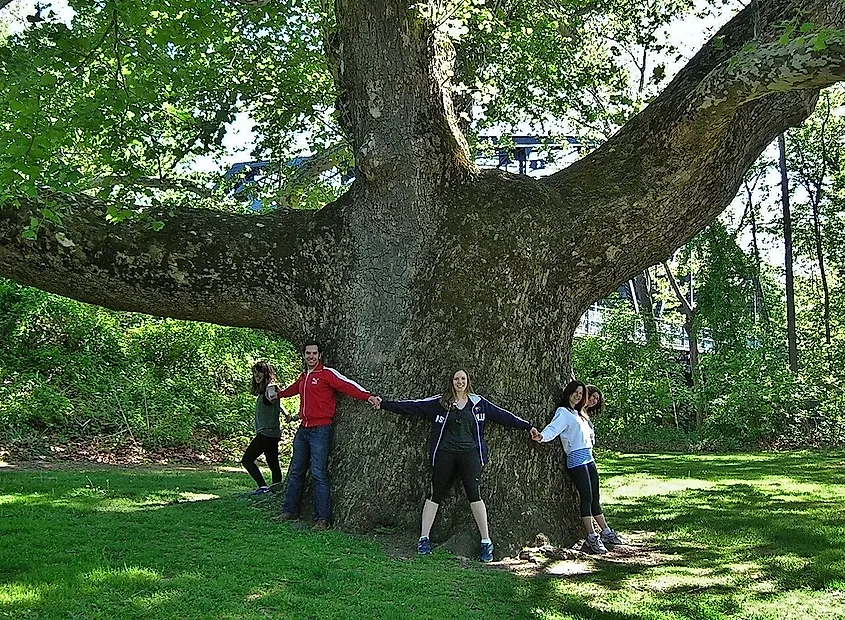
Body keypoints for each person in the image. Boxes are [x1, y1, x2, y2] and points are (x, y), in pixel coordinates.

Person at [373, 368, 538, 562]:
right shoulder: (440, 403)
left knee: (474, 494)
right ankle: (424, 538)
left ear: (468, 381)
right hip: (445, 454)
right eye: (456, 379)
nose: (460, 382)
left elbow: (503, 416)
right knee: (436, 493)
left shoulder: (478, 403)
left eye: (463, 379)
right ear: (451, 382)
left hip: (470, 455)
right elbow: (412, 406)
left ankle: (486, 541)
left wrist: (528, 426)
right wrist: (383, 404)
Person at [271, 341, 381, 531]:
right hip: (303, 429)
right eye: (308, 353)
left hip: (321, 429)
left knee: (318, 473)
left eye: (314, 353)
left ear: (319, 355)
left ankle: (322, 518)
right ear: (304, 355)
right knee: (297, 472)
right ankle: (289, 510)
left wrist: (368, 396)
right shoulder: (304, 377)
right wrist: (278, 395)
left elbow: (347, 385)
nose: (311, 356)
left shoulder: (326, 374)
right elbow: (292, 390)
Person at [531, 380, 623, 554]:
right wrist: (541, 436)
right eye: (576, 392)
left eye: (581, 393)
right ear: (569, 393)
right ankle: (591, 536)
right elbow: (553, 429)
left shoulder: (579, 414)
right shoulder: (563, 412)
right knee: (586, 497)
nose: (578, 395)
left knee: (595, 496)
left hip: (589, 459)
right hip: (576, 460)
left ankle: (606, 531)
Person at [241, 361, 288, 496]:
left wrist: (273, 391)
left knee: (247, 460)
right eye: (255, 372)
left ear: (266, 373)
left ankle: (263, 487)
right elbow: (276, 403)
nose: (256, 375)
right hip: (271, 433)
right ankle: (276, 490)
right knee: (273, 464)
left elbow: (273, 395)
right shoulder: (264, 390)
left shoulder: (270, 388)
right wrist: (286, 413)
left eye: (259, 372)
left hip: (266, 434)